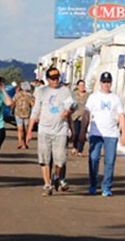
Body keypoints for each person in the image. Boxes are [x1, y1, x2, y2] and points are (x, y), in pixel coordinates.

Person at [27, 67, 74, 196]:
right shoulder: (42, 92)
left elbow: (72, 106)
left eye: (57, 78)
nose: (55, 80)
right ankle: (47, 185)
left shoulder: (65, 91)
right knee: (44, 158)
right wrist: (29, 131)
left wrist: (68, 113)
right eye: (52, 78)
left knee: (60, 159)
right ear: (47, 79)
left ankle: (57, 176)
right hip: (44, 130)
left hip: (60, 130)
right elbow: (35, 111)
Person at [79, 72, 125, 197]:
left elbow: (121, 116)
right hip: (96, 133)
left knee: (109, 161)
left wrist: (123, 134)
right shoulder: (93, 97)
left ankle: (106, 186)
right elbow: (86, 115)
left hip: (111, 134)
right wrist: (82, 132)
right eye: (104, 82)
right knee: (94, 158)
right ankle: (93, 183)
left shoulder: (116, 98)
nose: (106, 84)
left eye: (108, 82)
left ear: (111, 83)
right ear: (100, 83)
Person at [11, 82, 35, 149]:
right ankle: (22, 143)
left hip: (18, 113)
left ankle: (21, 142)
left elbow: (13, 102)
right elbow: (33, 104)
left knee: (20, 129)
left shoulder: (18, 94)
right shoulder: (30, 95)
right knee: (25, 129)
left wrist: (12, 109)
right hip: (26, 114)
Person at [70, 79, 89, 157]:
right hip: (75, 116)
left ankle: (80, 150)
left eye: (83, 85)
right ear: (77, 86)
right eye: (80, 85)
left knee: (82, 134)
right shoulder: (73, 94)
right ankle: (75, 146)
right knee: (76, 133)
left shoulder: (88, 95)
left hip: (84, 117)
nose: (82, 87)